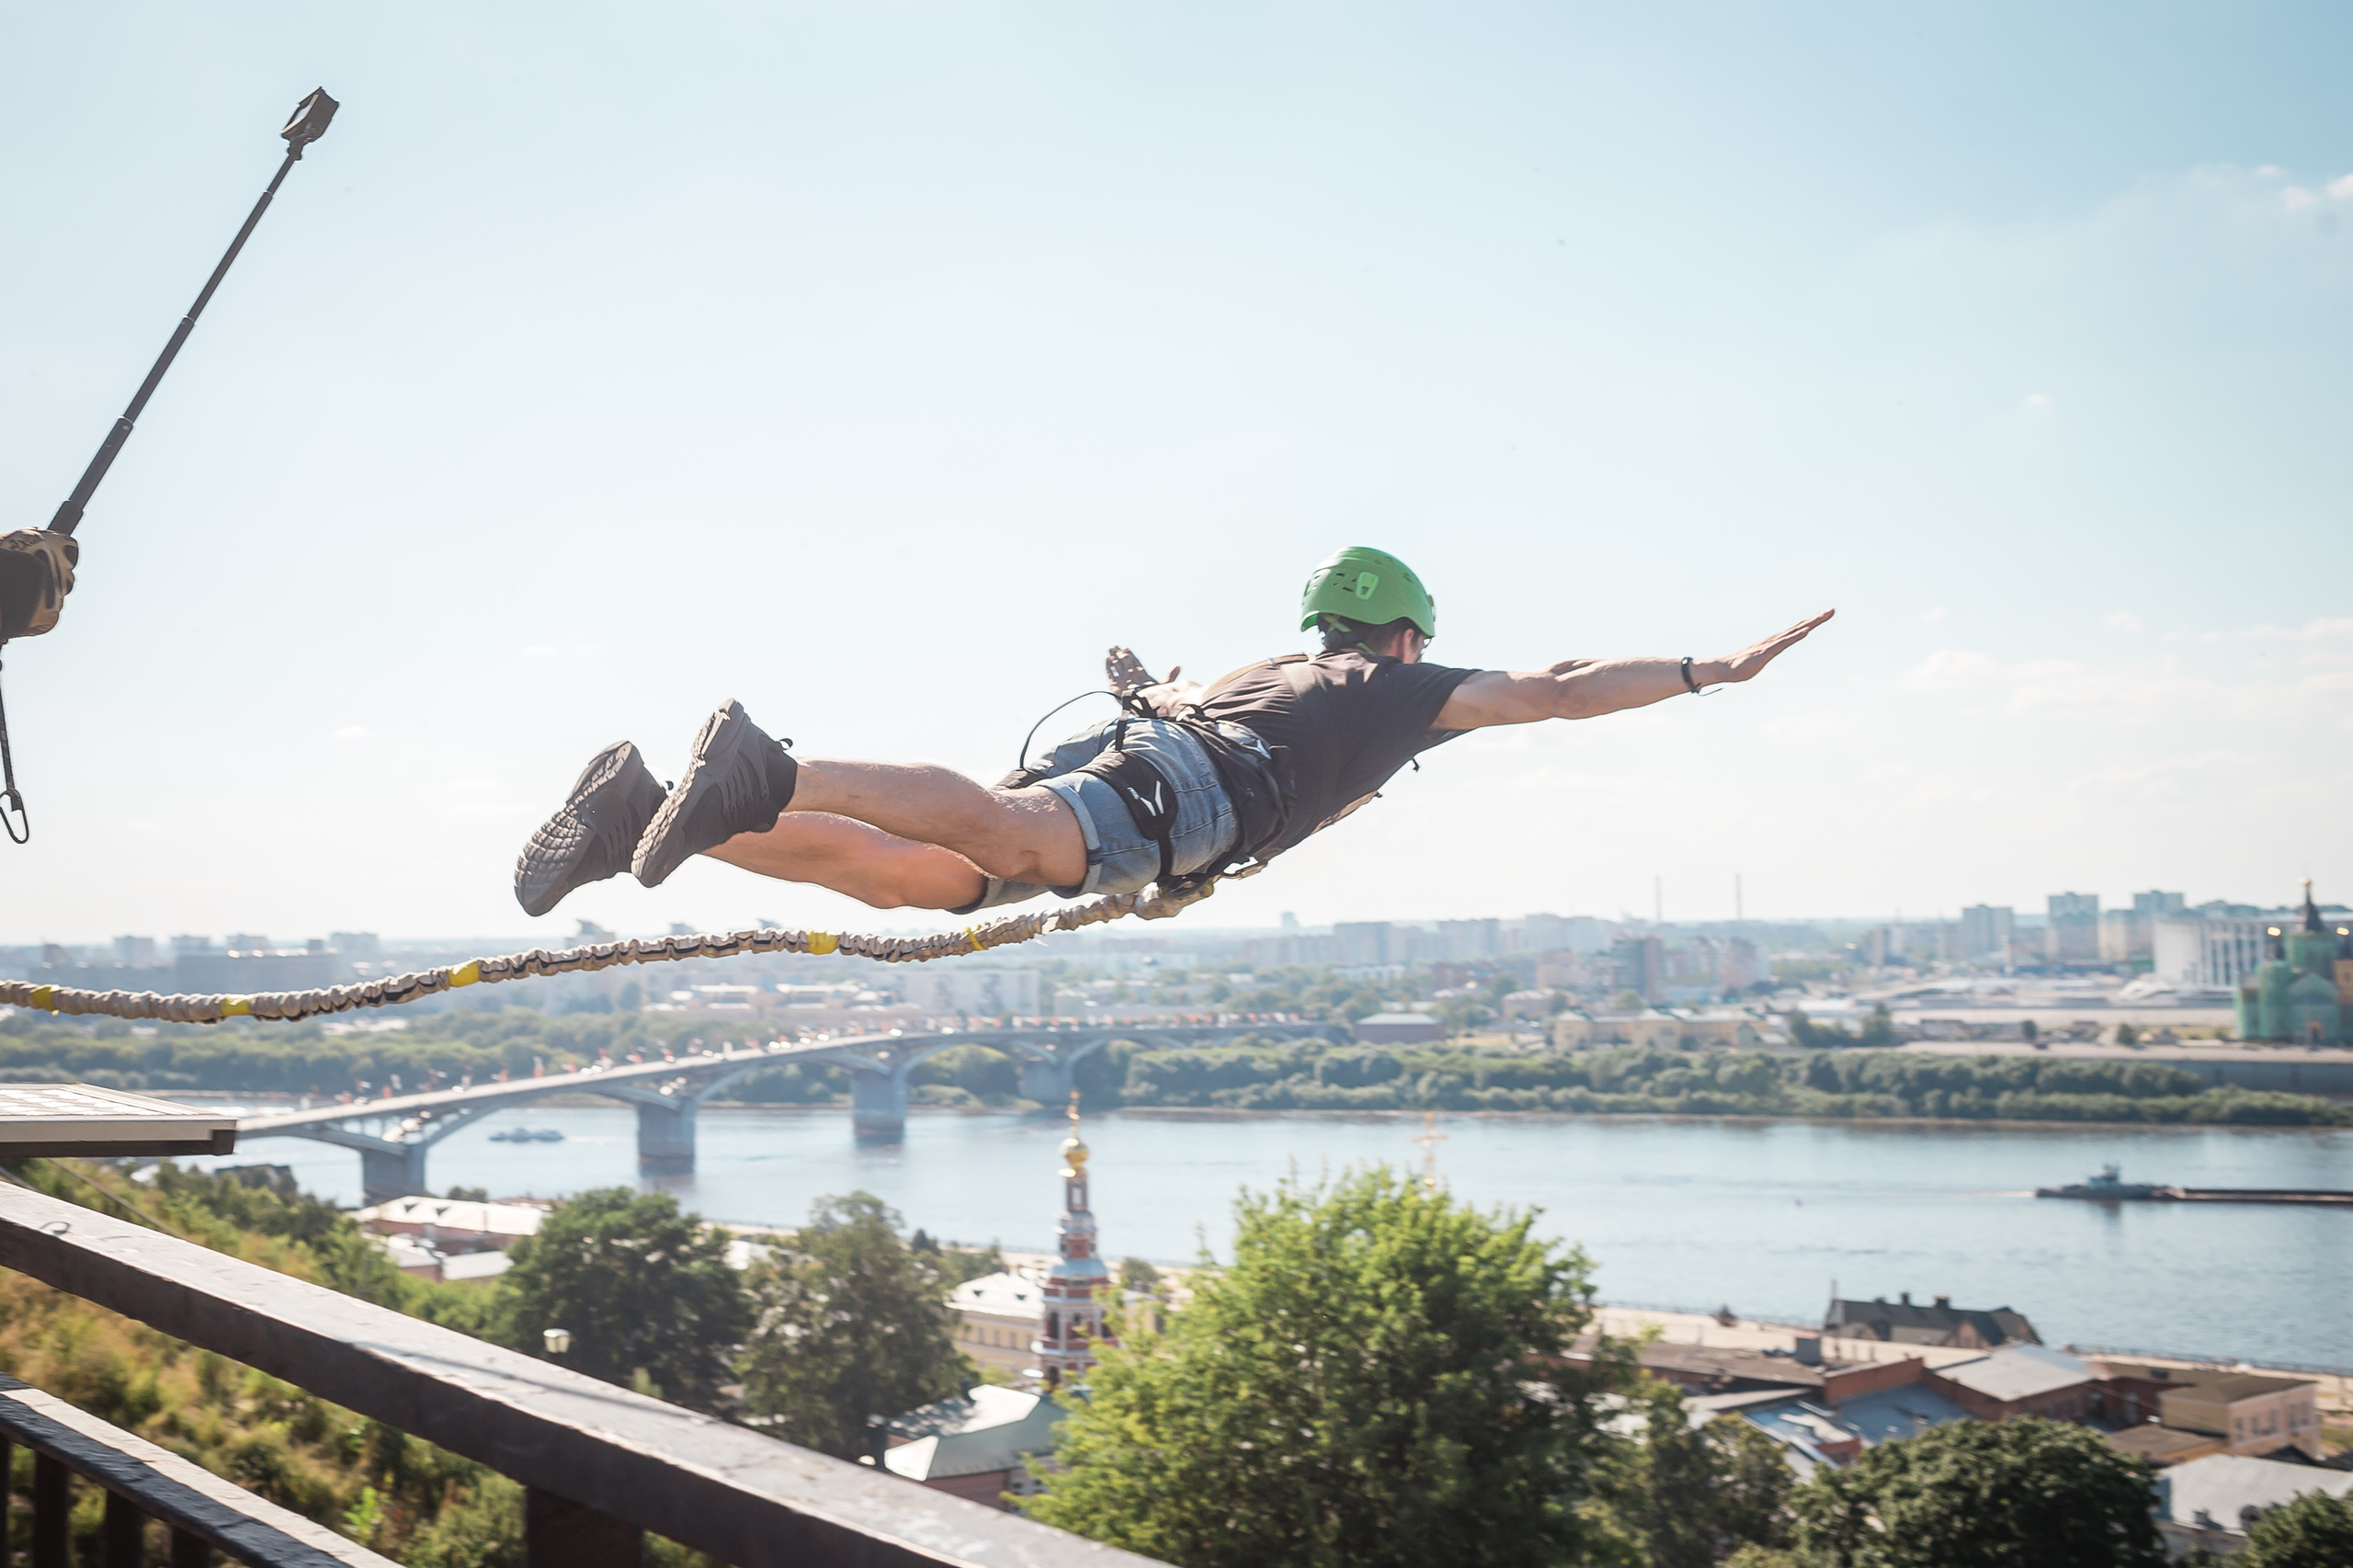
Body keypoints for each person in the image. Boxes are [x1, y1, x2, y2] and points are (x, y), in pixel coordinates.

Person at [513, 547, 1832, 919]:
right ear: (1411, 636)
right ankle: (765, 763)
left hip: (1164, 777)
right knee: (1011, 834)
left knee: (938, 880)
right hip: (1181, 794)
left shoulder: (1282, 670)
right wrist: (1707, 668)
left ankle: (653, 813)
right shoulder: (1396, 694)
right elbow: (1552, 688)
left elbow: (1209, 756)